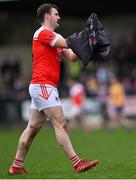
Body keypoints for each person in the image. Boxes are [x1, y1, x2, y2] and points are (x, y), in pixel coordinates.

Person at [8, 3, 99, 175]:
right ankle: (77, 162)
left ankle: (16, 166)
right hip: (43, 85)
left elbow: (72, 56)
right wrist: (87, 35)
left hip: (43, 86)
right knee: (60, 123)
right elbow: (66, 43)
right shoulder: (42, 33)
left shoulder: (54, 36)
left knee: (33, 127)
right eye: (56, 14)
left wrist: (92, 46)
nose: (59, 17)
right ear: (47, 16)